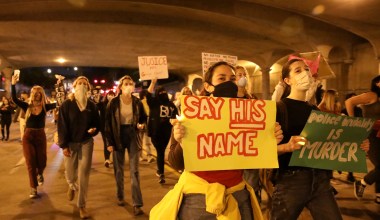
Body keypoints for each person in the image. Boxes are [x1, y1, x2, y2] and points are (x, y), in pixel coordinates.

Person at [151, 61, 283, 219]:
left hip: (238, 195)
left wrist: (268, 141)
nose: (229, 82)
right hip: (198, 200)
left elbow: (253, 161)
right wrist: (181, 142)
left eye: (232, 79)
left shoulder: (246, 115)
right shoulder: (191, 115)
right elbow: (176, 162)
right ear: (208, 86)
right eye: (222, 78)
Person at [270, 58, 369, 219]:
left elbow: (329, 144)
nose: (305, 73)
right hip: (291, 182)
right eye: (298, 70)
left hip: (320, 181)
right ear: (287, 80)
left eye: (307, 69)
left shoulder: (315, 110)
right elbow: (265, 153)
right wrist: (287, 147)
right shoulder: (279, 109)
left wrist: (356, 146)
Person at [57, 76, 100, 219]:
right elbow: (62, 125)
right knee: (70, 173)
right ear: (74, 86)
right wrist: (63, 145)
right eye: (79, 83)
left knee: (84, 175)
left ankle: (82, 205)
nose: (82, 85)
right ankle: (71, 185)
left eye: (84, 84)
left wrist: (94, 129)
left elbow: (97, 123)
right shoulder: (67, 104)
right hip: (70, 143)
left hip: (86, 142)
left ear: (88, 87)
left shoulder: (92, 106)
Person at [104, 75, 146, 216]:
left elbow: (143, 118)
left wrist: (141, 125)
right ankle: (120, 195)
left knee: (134, 170)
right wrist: (109, 143)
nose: (128, 85)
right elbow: (108, 124)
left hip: (132, 134)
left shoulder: (137, 102)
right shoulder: (113, 102)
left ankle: (137, 204)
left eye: (130, 83)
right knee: (119, 169)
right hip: (118, 135)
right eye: (126, 83)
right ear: (120, 87)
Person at [11, 73, 57, 199]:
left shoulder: (45, 107)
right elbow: (14, 99)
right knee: (30, 162)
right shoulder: (27, 106)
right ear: (32, 94)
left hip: (40, 135)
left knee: (42, 161)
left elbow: (59, 102)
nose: (37, 95)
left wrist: (59, 84)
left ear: (41, 95)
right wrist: (13, 84)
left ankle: (40, 173)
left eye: (39, 93)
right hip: (28, 136)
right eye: (35, 92)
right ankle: (33, 188)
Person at [346, 75, 380, 204]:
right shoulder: (371, 95)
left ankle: (378, 194)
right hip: (371, 134)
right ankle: (362, 182)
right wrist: (353, 121)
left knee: (379, 166)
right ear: (377, 83)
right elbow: (349, 102)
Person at [147, 78, 178, 184]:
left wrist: (175, 121)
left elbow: (176, 115)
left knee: (161, 152)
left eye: (164, 92)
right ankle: (160, 172)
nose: (163, 94)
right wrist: (153, 83)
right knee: (160, 152)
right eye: (160, 92)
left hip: (166, 133)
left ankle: (160, 172)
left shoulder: (171, 104)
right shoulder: (154, 102)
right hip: (155, 132)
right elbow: (148, 94)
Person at [98, 90, 115, 168]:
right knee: (106, 143)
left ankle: (116, 158)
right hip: (104, 127)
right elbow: (96, 106)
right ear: (106, 96)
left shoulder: (116, 104)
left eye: (112, 95)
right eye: (109, 95)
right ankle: (107, 159)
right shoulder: (102, 104)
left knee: (114, 143)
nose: (110, 96)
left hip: (114, 127)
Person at [138, 89, 155, 163]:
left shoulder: (139, 102)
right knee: (145, 141)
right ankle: (148, 156)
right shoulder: (143, 102)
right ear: (144, 96)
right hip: (145, 122)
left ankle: (141, 156)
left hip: (143, 122)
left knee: (140, 140)